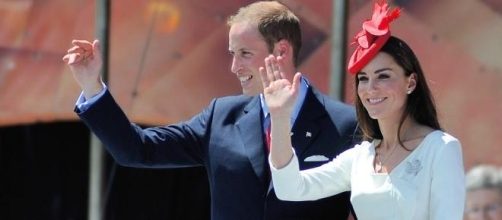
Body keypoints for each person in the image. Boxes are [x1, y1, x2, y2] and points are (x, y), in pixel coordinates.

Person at [62, 1, 358, 219]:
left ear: (281, 51)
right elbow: (137, 150)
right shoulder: (221, 117)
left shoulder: (345, 124)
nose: (234, 67)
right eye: (232, 54)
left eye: (245, 54)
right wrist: (92, 85)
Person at [262, 1, 465, 219]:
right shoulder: (361, 157)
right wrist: (280, 117)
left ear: (411, 82)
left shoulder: (441, 148)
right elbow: (289, 188)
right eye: (363, 78)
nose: (371, 88)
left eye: (383, 76)